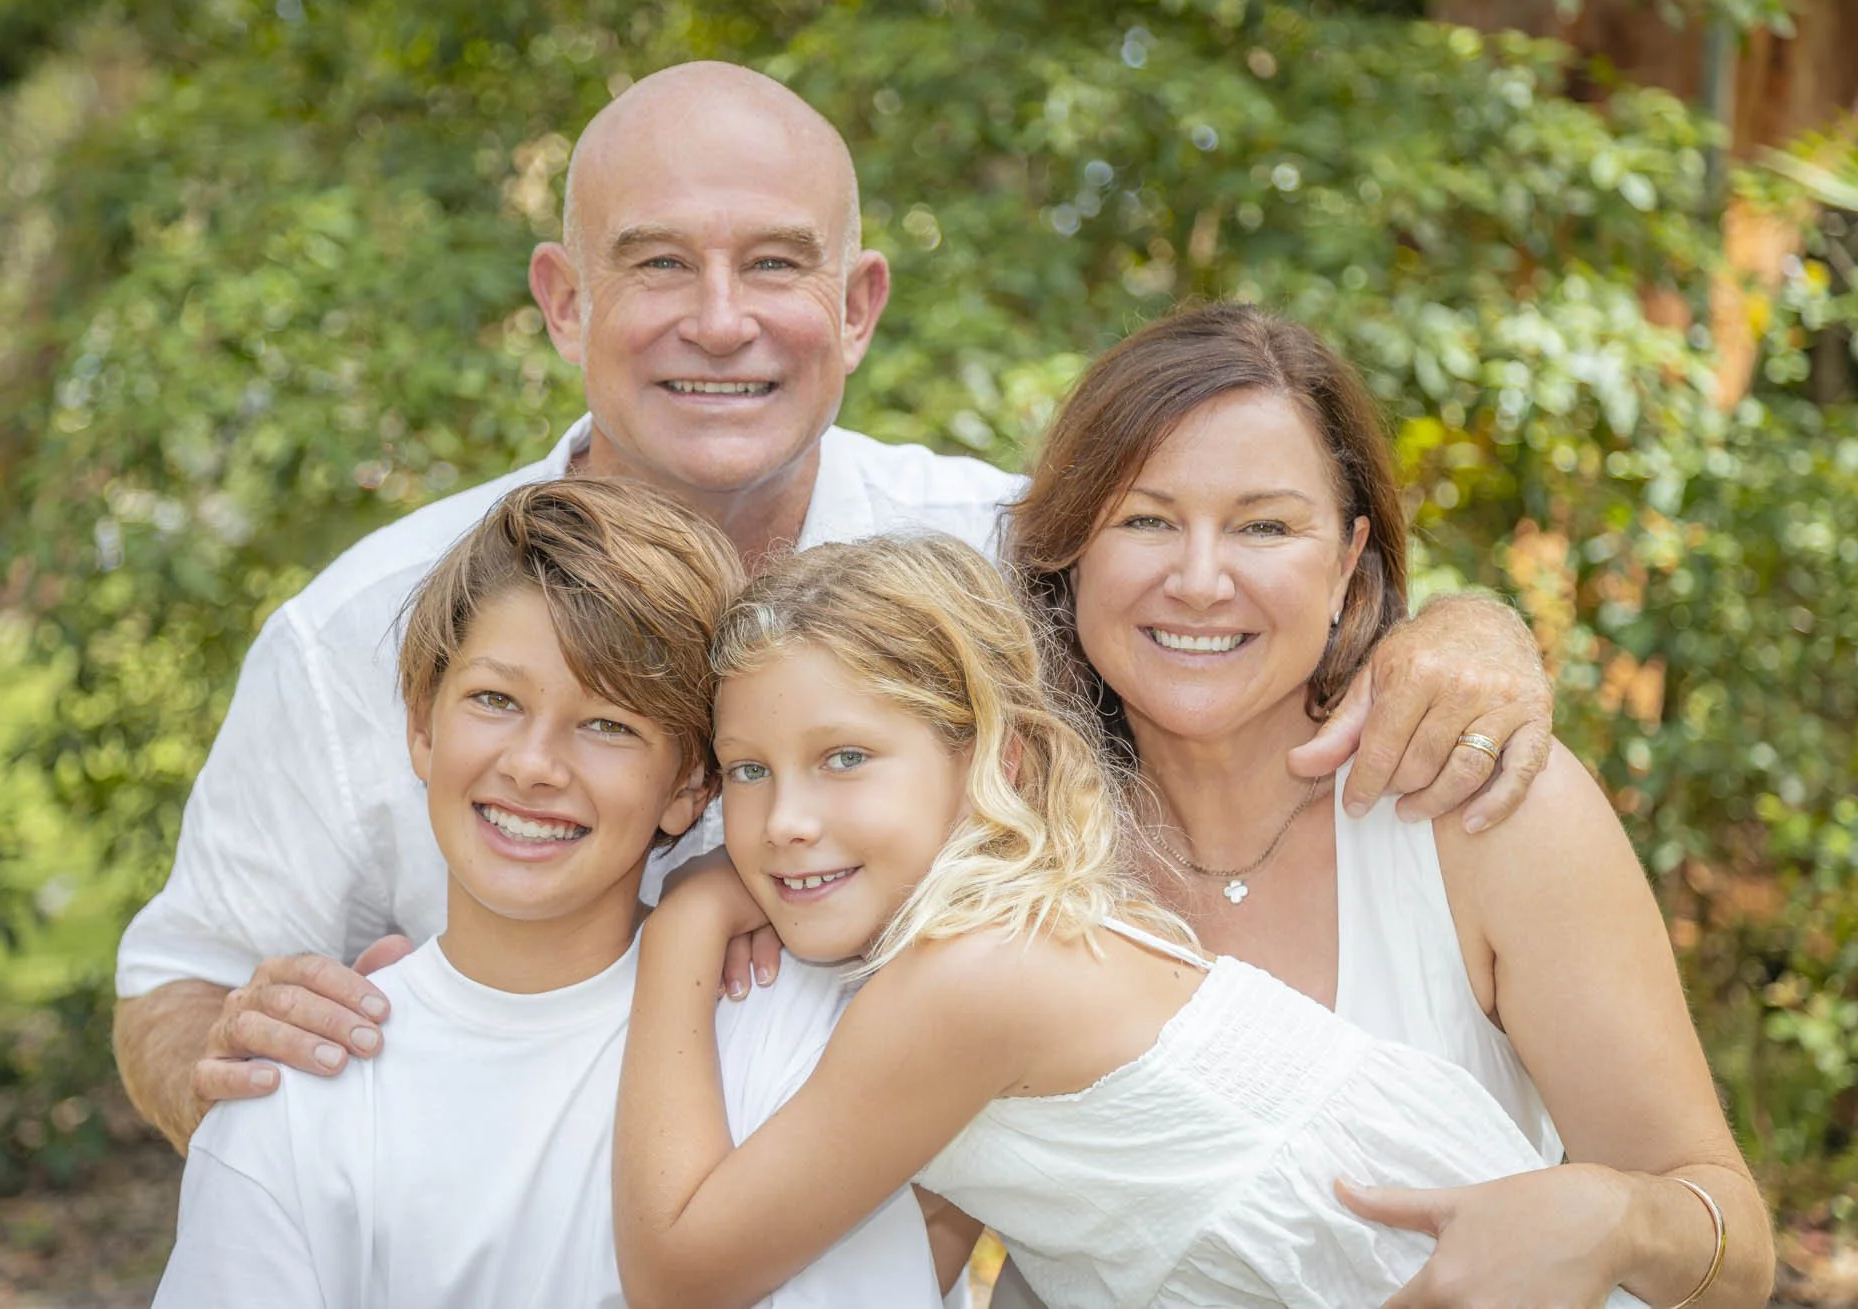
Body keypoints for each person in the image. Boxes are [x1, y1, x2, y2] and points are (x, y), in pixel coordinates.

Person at [110, 61, 1552, 1161]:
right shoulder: (361, 629)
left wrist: (1461, 632)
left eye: (778, 264)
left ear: (859, 306)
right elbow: (177, 986)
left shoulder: (1000, 560)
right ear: (564, 302)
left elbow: (1240, 608)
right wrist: (219, 1057)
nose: (723, 320)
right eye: (659, 261)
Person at [612, 530, 1650, 1309]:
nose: (784, 822)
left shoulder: (969, 978)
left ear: (997, 764)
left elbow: (678, 1266)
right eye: (748, 770)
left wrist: (681, 924)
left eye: (845, 758)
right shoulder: (1034, 922)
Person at [999, 302, 1772, 1305]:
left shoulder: (1480, 815)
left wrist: (1614, 1219)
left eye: (1263, 525)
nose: (1197, 580)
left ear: (1346, 560)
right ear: (1068, 550)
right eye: (1144, 519)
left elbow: (1737, 1248)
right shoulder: (1011, 846)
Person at [152, 479, 943, 1307]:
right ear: (421, 726)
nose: (534, 763)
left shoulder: (793, 1038)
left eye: (609, 724)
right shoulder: (300, 1081)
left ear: (689, 785)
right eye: (495, 700)